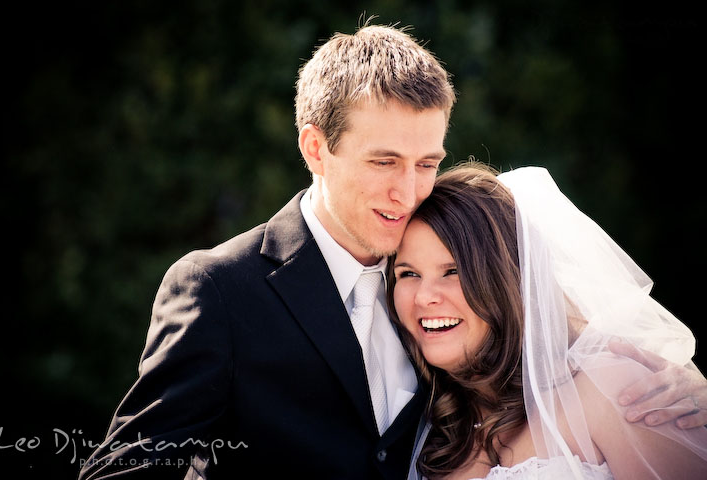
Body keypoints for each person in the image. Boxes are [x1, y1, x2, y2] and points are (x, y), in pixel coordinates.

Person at [79, 24, 706, 479]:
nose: (407, 192)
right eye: (383, 161)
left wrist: (676, 389)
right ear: (316, 148)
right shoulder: (220, 289)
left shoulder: (436, 289)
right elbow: (123, 472)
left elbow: (546, 346)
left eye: (426, 163)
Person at [390, 162, 707, 479]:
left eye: (453, 271)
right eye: (408, 274)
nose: (423, 297)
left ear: (509, 280)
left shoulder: (615, 388)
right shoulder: (428, 434)